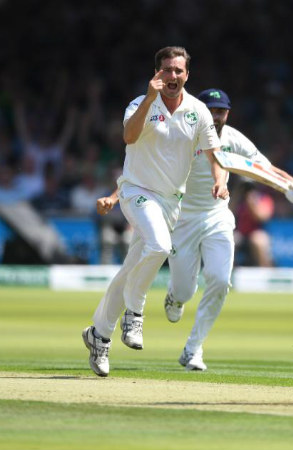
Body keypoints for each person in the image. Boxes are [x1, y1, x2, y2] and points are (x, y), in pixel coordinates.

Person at [96, 88, 293, 372]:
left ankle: (193, 349)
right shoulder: (181, 136)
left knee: (219, 280)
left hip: (217, 216)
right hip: (180, 221)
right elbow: (143, 173)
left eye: (221, 111)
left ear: (228, 113)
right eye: (211, 111)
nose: (216, 117)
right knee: (185, 291)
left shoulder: (233, 138)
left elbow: (265, 169)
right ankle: (176, 296)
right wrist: (114, 197)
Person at [82, 46, 226, 377]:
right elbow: (129, 137)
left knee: (130, 270)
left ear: (187, 74)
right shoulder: (139, 104)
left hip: (170, 202)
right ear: (157, 73)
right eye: (166, 70)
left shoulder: (198, 111)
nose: (172, 76)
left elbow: (214, 156)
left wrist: (220, 181)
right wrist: (149, 99)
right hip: (136, 191)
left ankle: (98, 336)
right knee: (159, 246)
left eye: (178, 70)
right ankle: (134, 314)